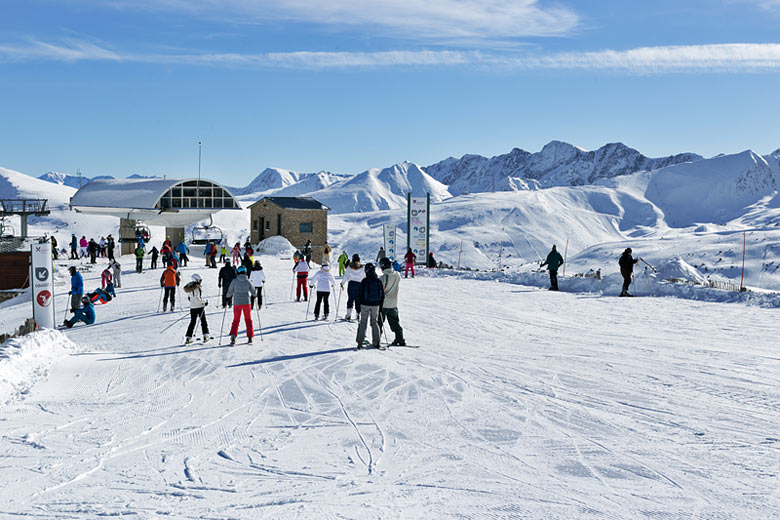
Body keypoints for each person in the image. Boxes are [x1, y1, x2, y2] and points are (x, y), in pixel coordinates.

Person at [356, 263, 384, 349]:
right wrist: (380, 308)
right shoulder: (378, 281)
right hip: (376, 305)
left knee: (363, 322)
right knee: (374, 322)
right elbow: (382, 295)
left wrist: (358, 308)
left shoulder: (364, 281)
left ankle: (360, 342)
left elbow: (359, 295)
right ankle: (376, 342)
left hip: (364, 304)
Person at [227, 265, 257, 345]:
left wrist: (227, 297)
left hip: (237, 303)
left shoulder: (234, 281)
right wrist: (254, 295)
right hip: (246, 303)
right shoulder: (248, 281)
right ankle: (250, 337)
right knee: (248, 320)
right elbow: (254, 292)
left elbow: (230, 291)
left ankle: (233, 337)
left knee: (236, 320)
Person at [379, 257, 405, 346]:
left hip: (383, 304)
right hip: (394, 304)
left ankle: (377, 339)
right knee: (395, 322)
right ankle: (400, 338)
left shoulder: (382, 278)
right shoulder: (397, 274)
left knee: (378, 322)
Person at [183, 273, 210, 344]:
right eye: (199, 280)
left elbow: (190, 298)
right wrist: (204, 302)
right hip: (199, 307)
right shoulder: (196, 288)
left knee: (192, 322)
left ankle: (188, 337)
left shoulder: (190, 287)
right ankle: (206, 335)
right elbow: (197, 299)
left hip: (192, 308)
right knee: (203, 321)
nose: (200, 282)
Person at [341, 254, 365, 320]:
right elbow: (364, 276)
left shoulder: (349, 266)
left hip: (351, 284)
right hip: (359, 284)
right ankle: (358, 314)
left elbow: (346, 276)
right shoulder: (362, 267)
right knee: (358, 299)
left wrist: (342, 283)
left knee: (350, 299)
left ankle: (348, 314)